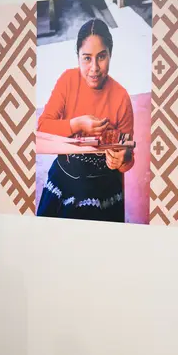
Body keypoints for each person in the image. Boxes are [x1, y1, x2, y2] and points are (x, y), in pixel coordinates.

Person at [36, 19, 135, 222]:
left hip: (104, 188)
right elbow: (42, 128)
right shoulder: (67, 81)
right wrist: (76, 124)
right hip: (65, 180)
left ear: (110, 54)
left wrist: (122, 158)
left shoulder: (121, 97)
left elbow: (128, 154)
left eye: (101, 57)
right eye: (86, 58)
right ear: (78, 57)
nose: (94, 68)